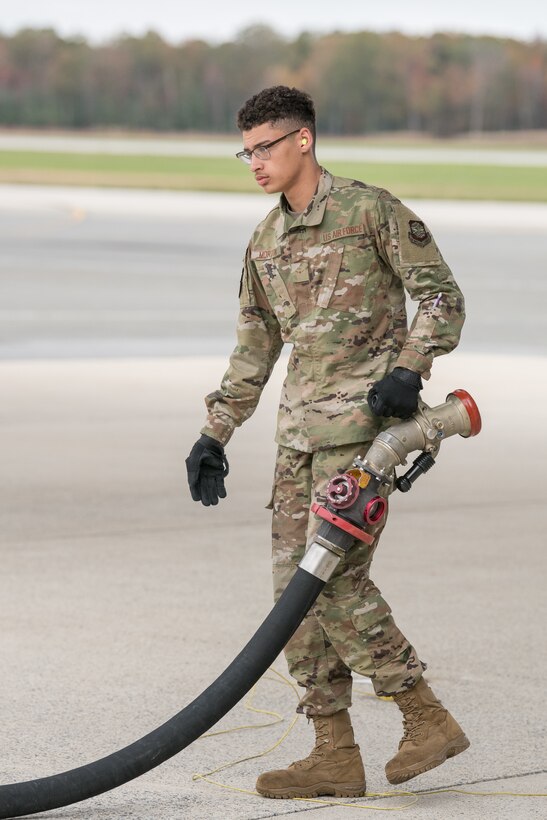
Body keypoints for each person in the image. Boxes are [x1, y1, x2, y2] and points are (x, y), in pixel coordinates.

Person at [186, 86, 469, 799]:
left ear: (302, 140)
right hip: (298, 440)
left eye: (264, 147)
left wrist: (409, 369)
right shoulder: (264, 241)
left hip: (362, 439)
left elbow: (440, 295)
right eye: (245, 150)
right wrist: (213, 434)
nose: (253, 162)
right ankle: (332, 753)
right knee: (294, 597)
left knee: (336, 579)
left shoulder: (370, 211)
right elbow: (254, 350)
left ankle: (423, 715)